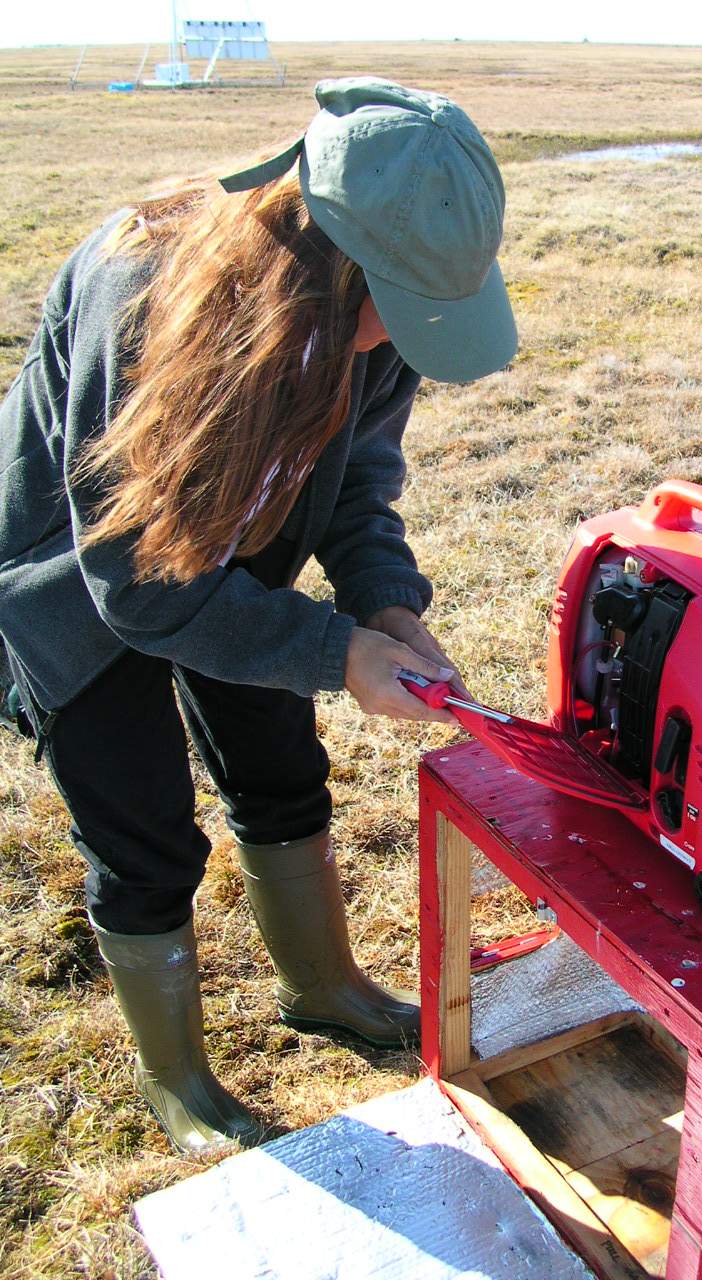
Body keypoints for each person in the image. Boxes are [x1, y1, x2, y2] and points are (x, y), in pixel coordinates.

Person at [0, 77, 517, 1154]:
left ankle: (323, 987)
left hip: (239, 556)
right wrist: (336, 651)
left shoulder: (376, 326)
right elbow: (136, 584)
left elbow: (361, 481)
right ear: (330, 263)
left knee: (281, 768)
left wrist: (383, 602)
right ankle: (179, 1080)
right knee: (142, 833)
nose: (407, 337)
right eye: (401, 305)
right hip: (83, 583)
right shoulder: (141, 294)